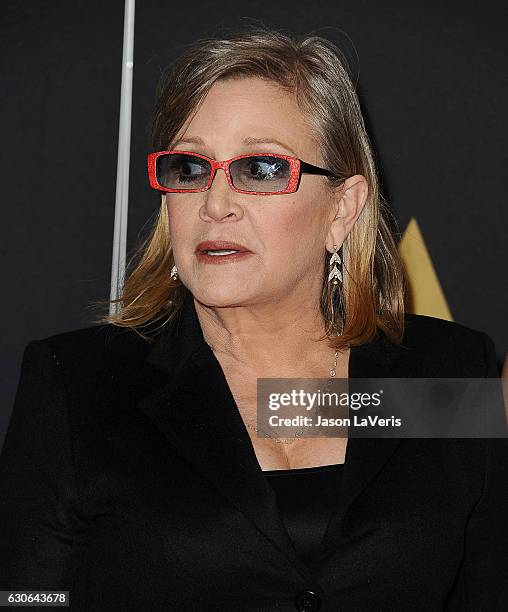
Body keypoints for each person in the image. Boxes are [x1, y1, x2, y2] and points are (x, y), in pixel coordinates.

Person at [1, 25, 507, 612]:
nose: (215, 204)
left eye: (261, 170)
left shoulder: (441, 373)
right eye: (190, 168)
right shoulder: (78, 386)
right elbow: (23, 595)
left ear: (342, 209)